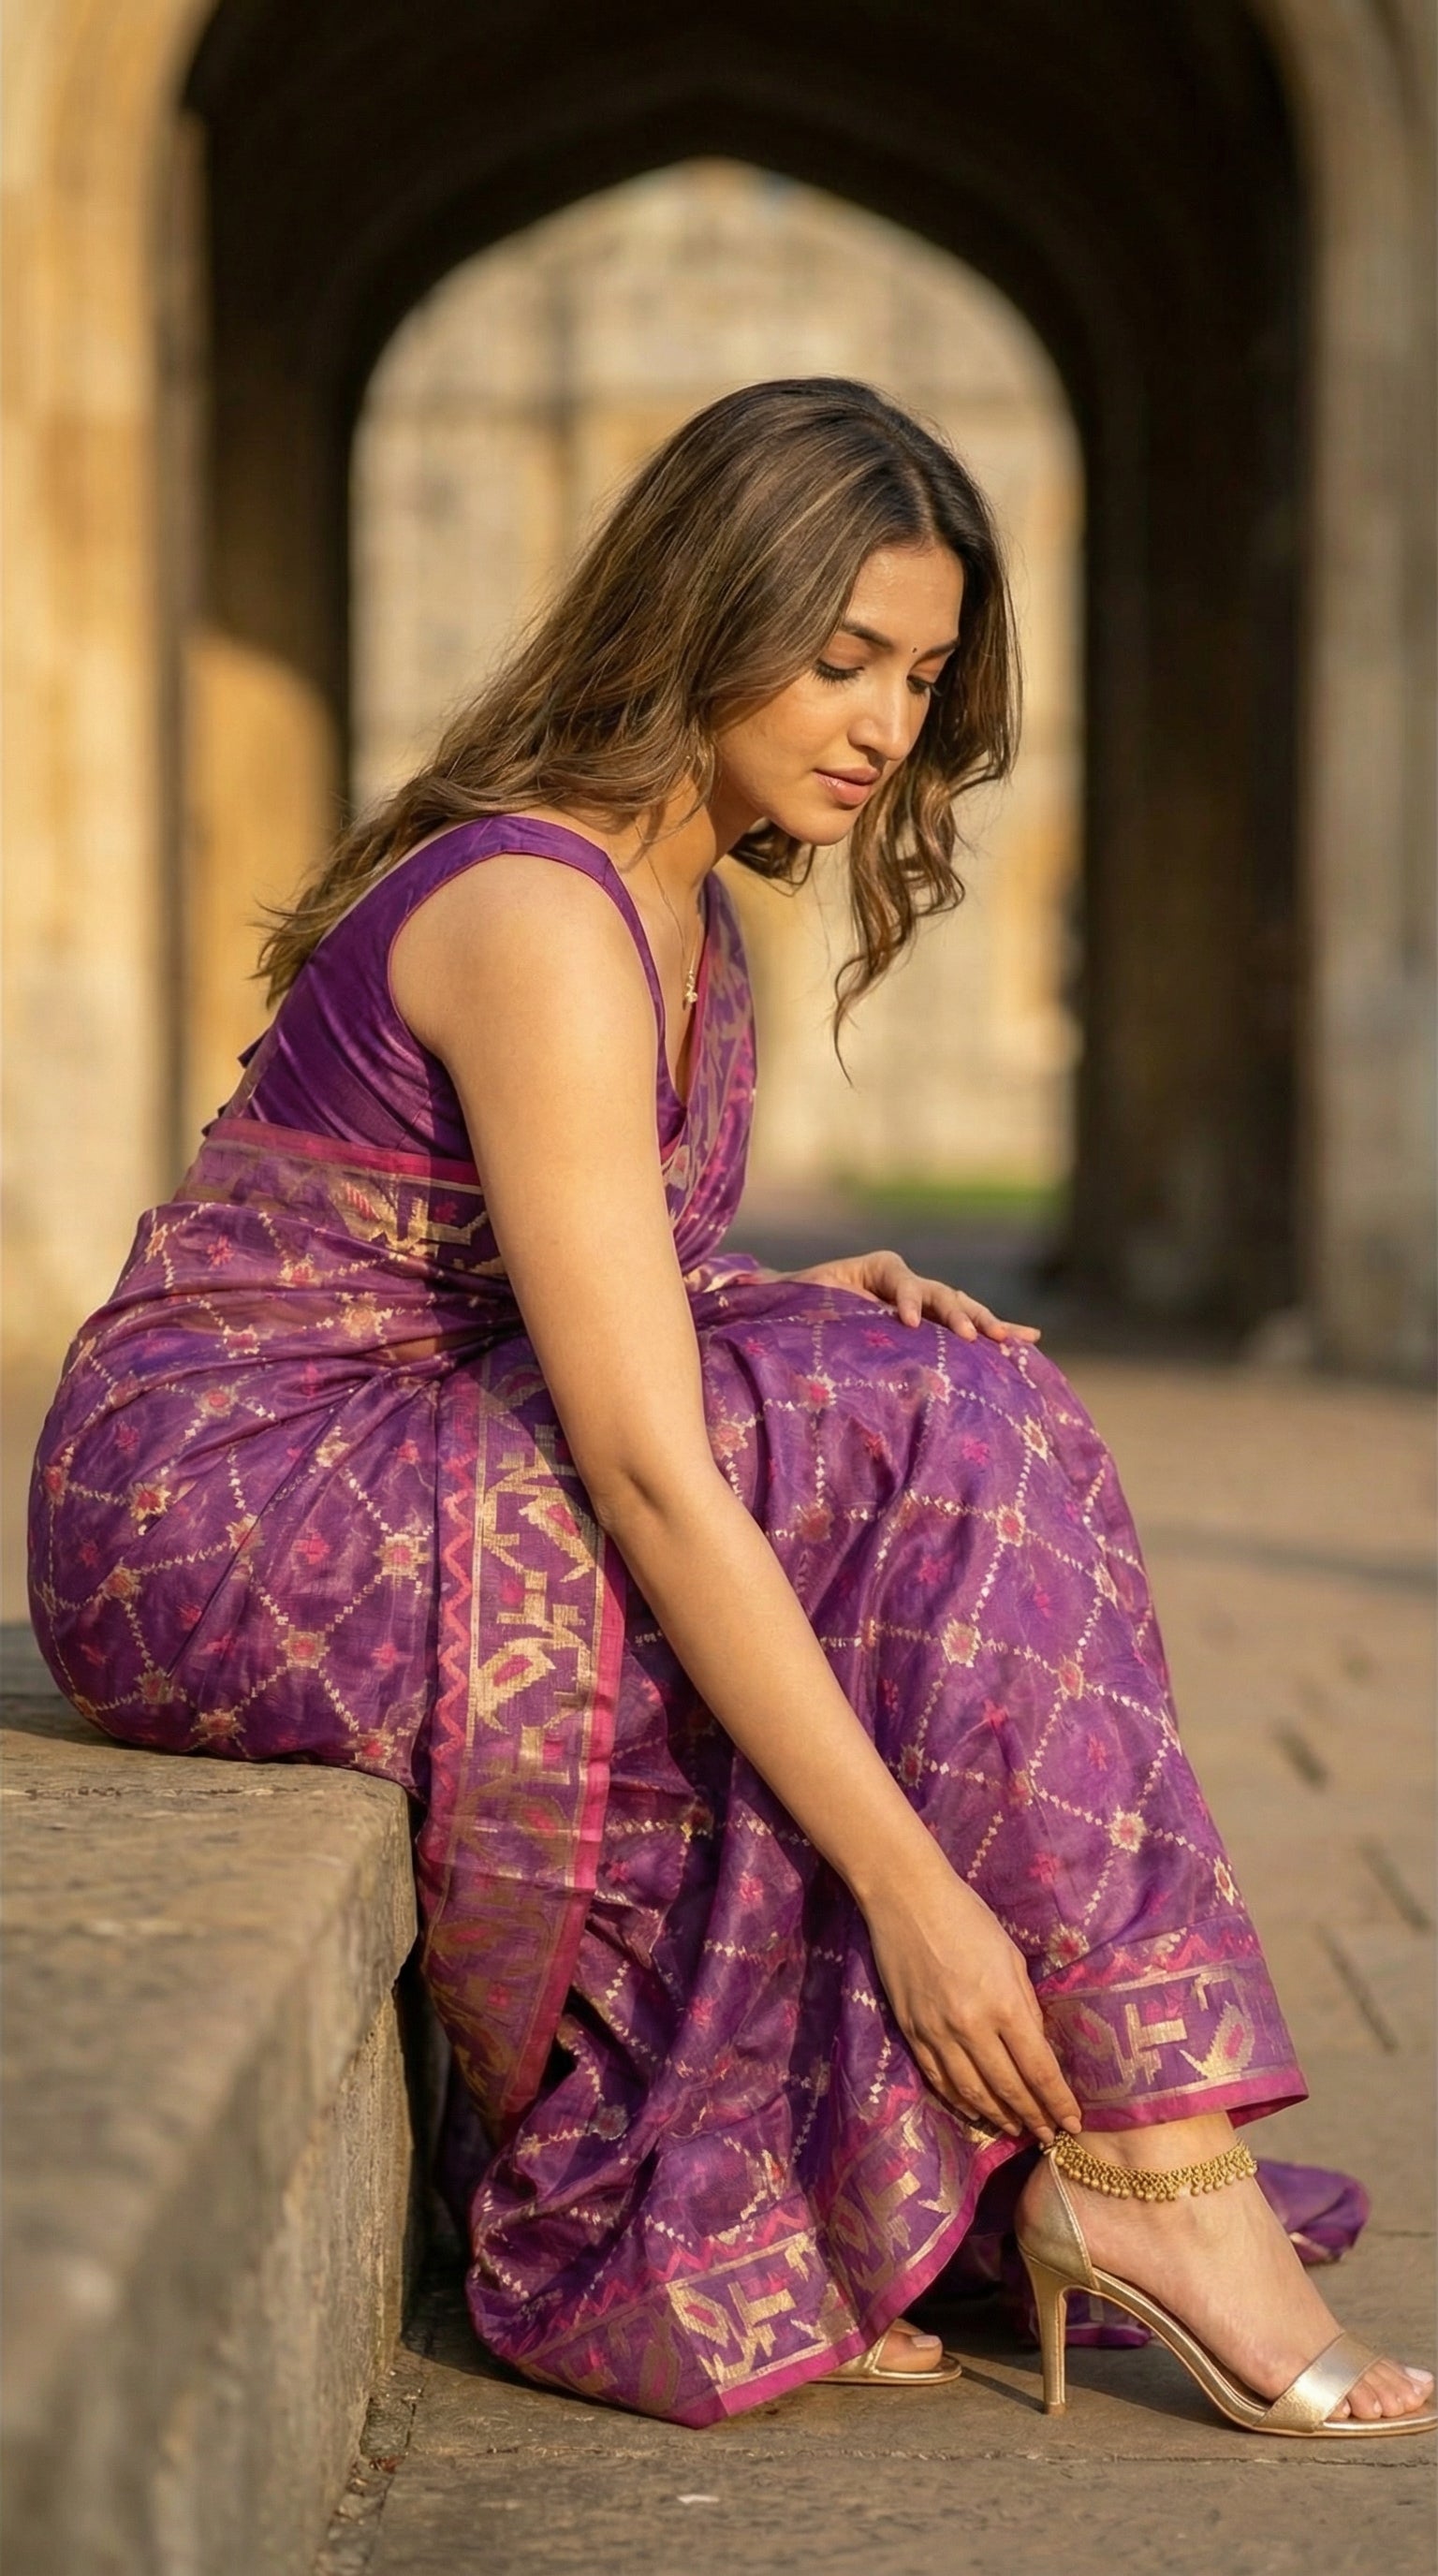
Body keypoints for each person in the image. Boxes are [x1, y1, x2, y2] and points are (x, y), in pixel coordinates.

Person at [29, 380, 1431, 2436]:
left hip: (390, 1427)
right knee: (892, 1444)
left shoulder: (689, 911)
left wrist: (765, 1298)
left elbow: (551, 1280)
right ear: (701, 614)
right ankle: (1144, 2161)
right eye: (842, 656)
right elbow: (640, 1469)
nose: (884, 723)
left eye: (927, 675)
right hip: (217, 1500)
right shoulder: (538, 906)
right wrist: (922, 1896)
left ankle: (1099, 2145)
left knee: (954, 1391)